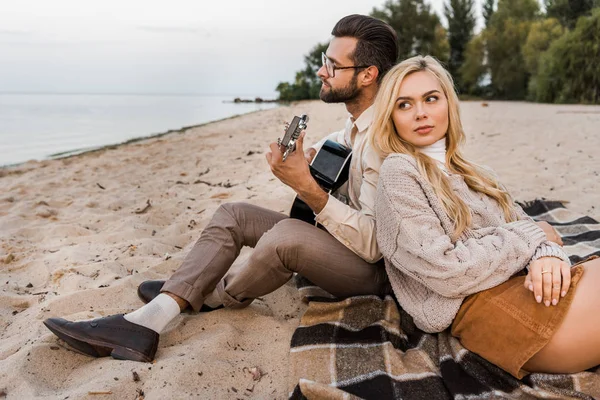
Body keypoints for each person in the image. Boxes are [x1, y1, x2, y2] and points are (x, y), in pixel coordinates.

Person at [43, 14, 399, 362]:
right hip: (341, 241)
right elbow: (340, 158)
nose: (321, 71)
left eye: (333, 66)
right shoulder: (353, 127)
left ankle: (199, 301)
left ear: (368, 75)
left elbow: (372, 246)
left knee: (287, 235)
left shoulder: (385, 140)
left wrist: (306, 186)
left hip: (372, 272)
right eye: (325, 60)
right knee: (234, 214)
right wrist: (308, 163)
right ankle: (175, 299)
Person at [369, 55, 600, 379]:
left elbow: (530, 231)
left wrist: (548, 255)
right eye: (404, 105)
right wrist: (535, 238)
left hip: (532, 285)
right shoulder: (399, 172)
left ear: (448, 104)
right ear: (391, 117)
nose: (420, 112)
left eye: (430, 99)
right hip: (486, 308)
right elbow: (445, 269)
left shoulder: (479, 173)